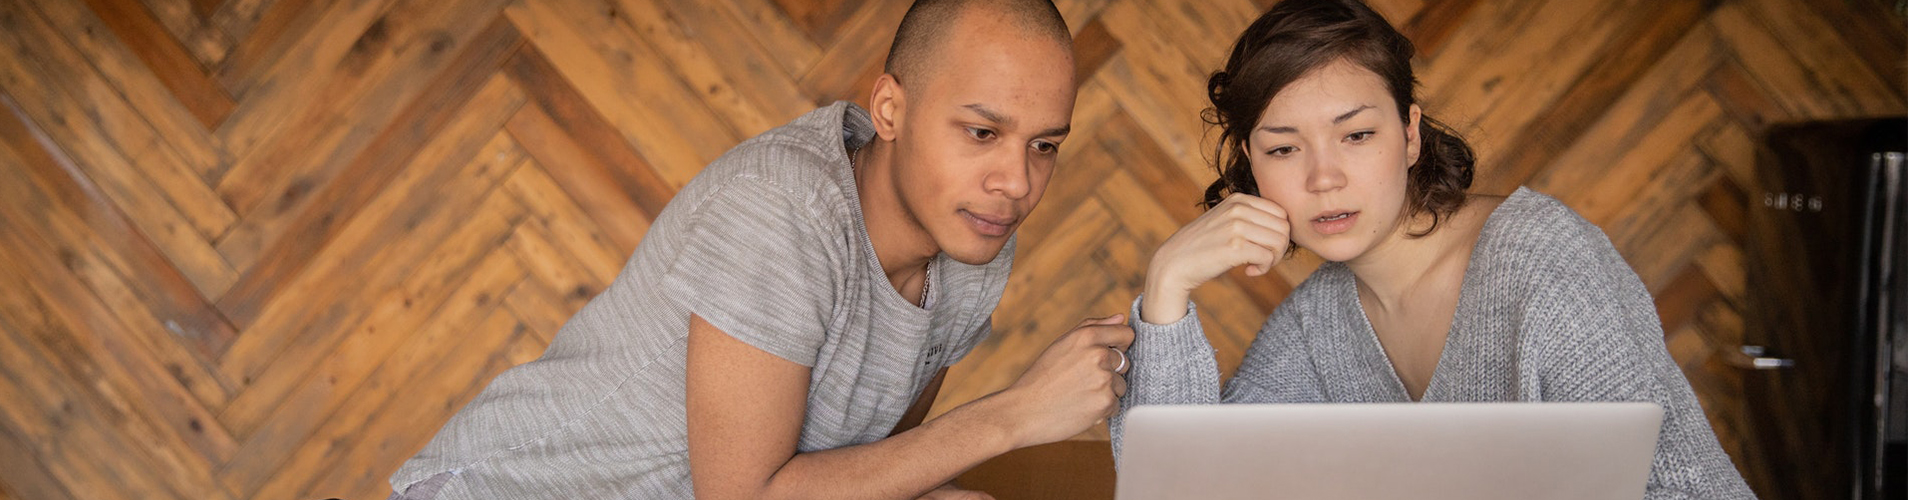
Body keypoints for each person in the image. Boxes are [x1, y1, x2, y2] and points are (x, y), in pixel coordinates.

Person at [389, 1, 1135, 498]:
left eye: (1044, 145)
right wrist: (1014, 415)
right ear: (890, 110)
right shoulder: (781, 208)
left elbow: (876, 462)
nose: (1016, 182)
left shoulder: (973, 233)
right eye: (981, 132)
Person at [1109, 0, 1756, 497]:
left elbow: (1684, 489)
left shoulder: (1542, 259)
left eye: (1357, 135)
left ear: (1410, 135)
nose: (1323, 177)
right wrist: (1167, 285)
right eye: (1283, 148)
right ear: (1252, 166)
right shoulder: (1315, 326)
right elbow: (1182, 488)